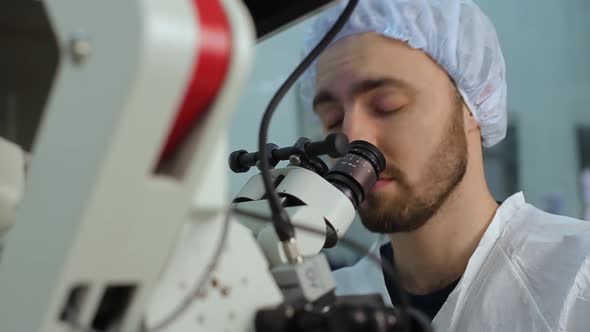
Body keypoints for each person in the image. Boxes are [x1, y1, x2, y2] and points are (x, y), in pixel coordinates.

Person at [300, 0, 590, 331]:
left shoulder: (576, 281)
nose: (351, 138)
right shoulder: (324, 307)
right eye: (331, 119)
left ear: (473, 106)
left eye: (387, 105)